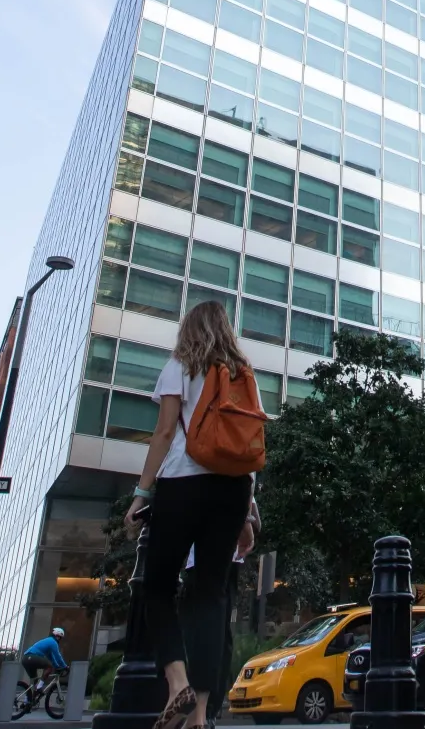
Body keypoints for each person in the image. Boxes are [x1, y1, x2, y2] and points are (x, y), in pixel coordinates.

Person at [122, 301, 259, 729]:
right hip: (233, 489)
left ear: (189, 329)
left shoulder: (179, 366)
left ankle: (176, 680)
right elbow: (247, 443)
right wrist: (248, 514)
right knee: (211, 596)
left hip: (184, 483)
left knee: (158, 587)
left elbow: (164, 433)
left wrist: (142, 493)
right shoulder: (242, 373)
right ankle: (199, 712)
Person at [20, 629, 67, 699]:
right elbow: (58, 656)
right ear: (55, 635)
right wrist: (65, 666)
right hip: (32, 657)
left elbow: (51, 658)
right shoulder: (53, 642)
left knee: (34, 681)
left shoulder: (48, 642)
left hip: (25, 659)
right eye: (59, 637)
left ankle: (27, 702)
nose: (59, 639)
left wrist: (57, 666)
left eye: (60, 638)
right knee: (49, 667)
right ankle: (39, 687)